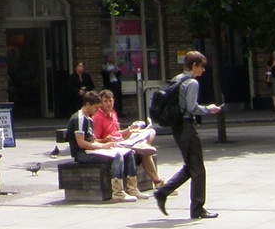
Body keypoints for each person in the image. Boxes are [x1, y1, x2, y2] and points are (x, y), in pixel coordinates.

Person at [152, 51, 222, 219]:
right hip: (186, 126)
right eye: (202, 66)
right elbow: (191, 107)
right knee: (198, 168)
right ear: (194, 66)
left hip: (177, 127)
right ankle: (197, 208)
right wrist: (209, 109)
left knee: (190, 166)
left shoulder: (177, 78)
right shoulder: (192, 83)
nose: (203, 70)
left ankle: (163, 192)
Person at [68, 89, 137, 201]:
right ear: (87, 104)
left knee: (127, 152)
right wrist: (102, 147)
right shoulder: (79, 119)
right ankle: (118, 192)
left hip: (90, 150)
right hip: (82, 154)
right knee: (117, 156)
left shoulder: (89, 119)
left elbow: (92, 140)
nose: (96, 111)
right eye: (95, 107)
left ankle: (132, 188)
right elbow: (81, 143)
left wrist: (107, 143)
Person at [92, 88, 158, 192]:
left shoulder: (113, 113)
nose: (109, 104)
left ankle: (142, 144)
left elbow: (117, 133)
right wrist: (105, 140)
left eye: (110, 101)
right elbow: (95, 139)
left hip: (122, 140)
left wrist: (129, 129)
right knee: (144, 153)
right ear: (100, 102)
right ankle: (157, 182)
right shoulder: (98, 117)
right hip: (114, 145)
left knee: (151, 131)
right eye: (105, 101)